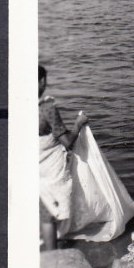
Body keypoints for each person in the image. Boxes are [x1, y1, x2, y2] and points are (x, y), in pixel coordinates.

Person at [38, 65, 88, 251]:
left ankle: (49, 249)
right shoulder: (47, 109)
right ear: (42, 81)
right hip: (50, 168)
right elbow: (68, 142)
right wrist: (78, 124)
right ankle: (53, 256)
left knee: (43, 209)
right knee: (49, 214)